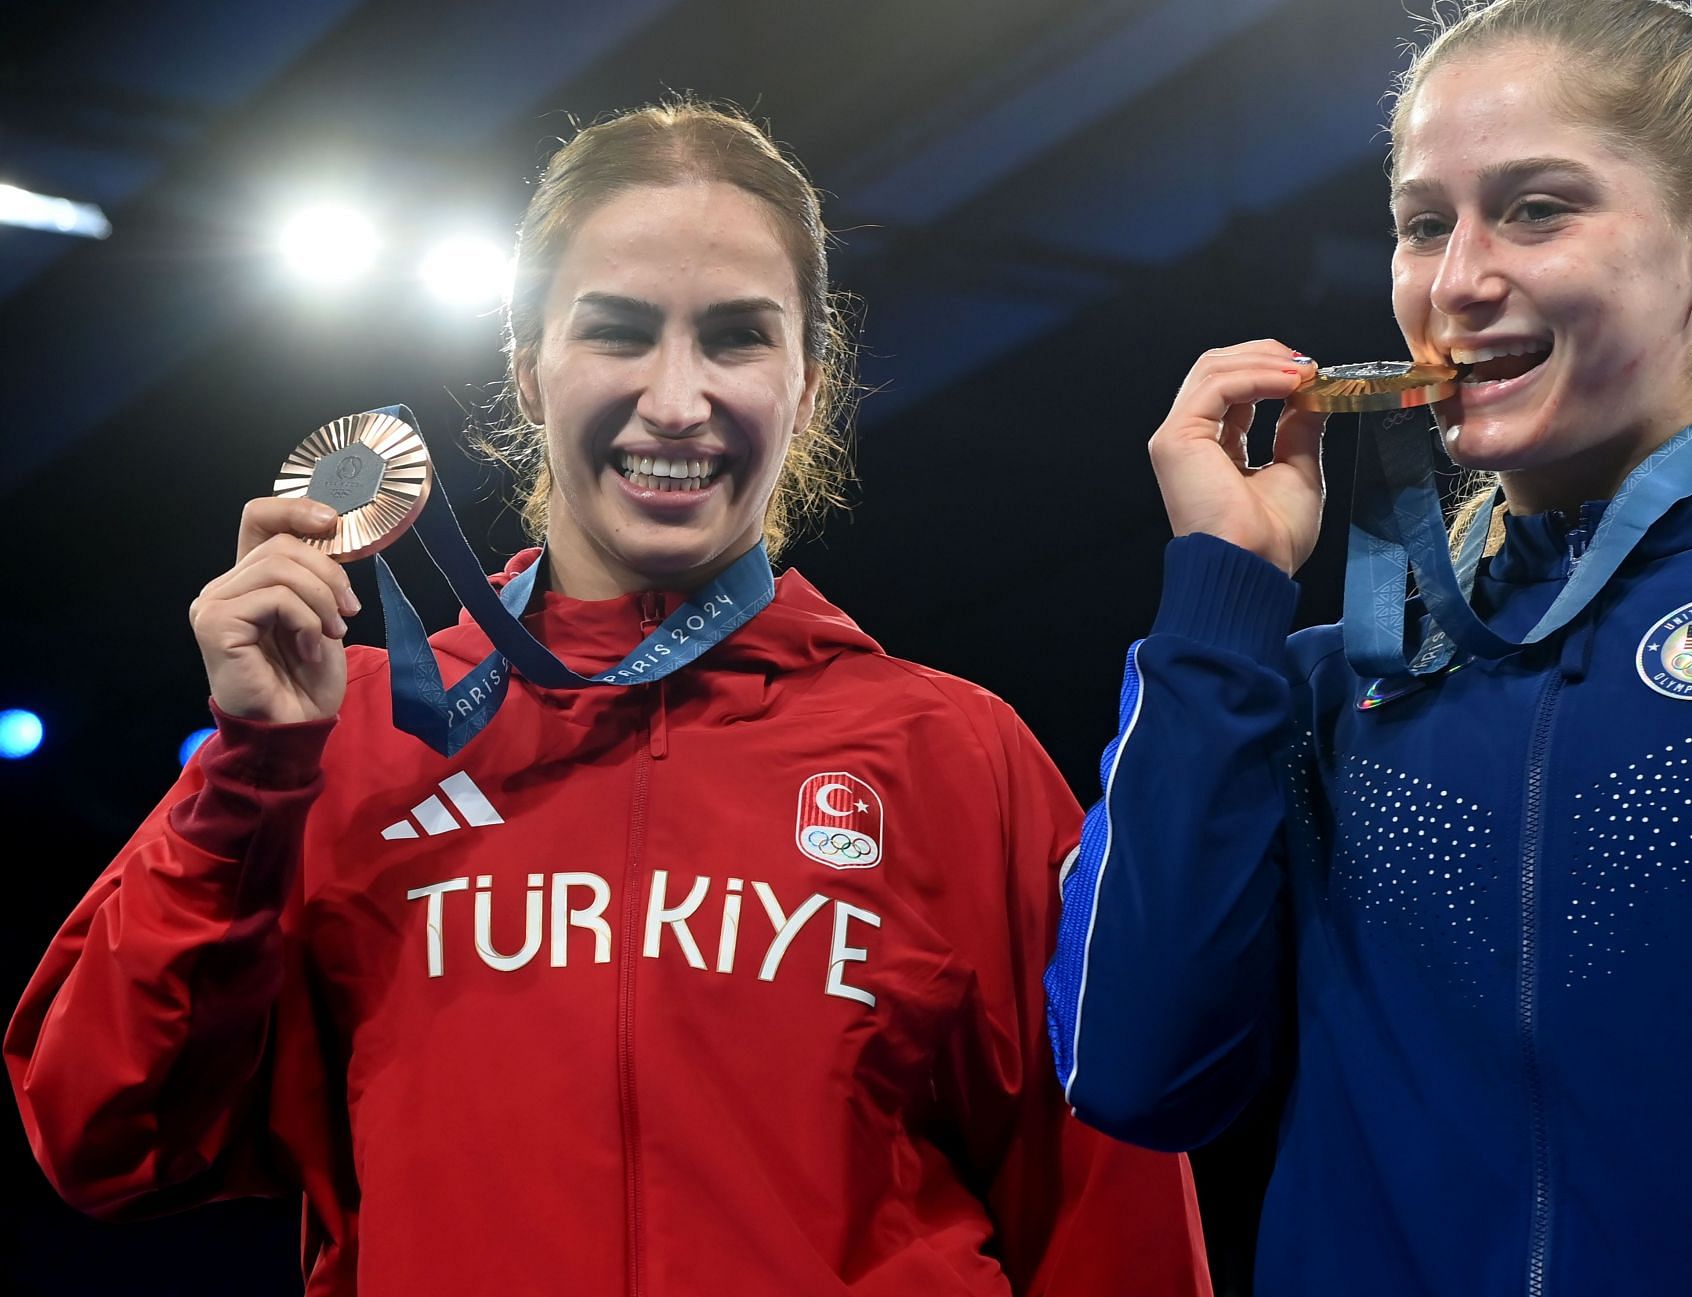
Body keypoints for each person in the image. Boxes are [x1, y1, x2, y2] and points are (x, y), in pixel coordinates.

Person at [8, 100, 1209, 1297]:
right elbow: (102, 1136)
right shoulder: (344, 738)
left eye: (737, 337)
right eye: (620, 332)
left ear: (806, 385)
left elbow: (1113, 1222)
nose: (677, 399)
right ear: (527, 368)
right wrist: (250, 780)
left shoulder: (954, 756)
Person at [1045, 2, 1692, 1295]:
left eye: (1536, 208)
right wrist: (1224, 598)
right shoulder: (1315, 694)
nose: (1457, 280)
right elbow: (1135, 1073)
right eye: (1422, 222)